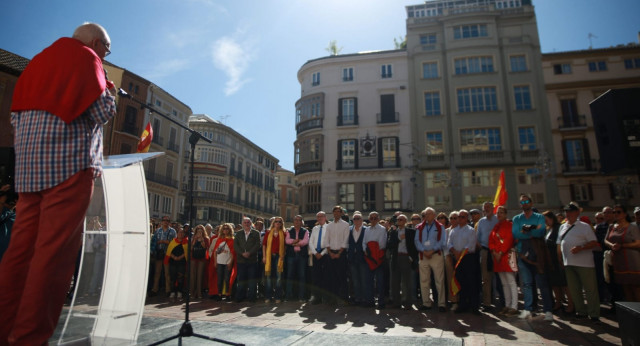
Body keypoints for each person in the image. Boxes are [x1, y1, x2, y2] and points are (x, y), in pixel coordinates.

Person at [0, 22, 116, 345]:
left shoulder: (37, 62)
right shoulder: (86, 58)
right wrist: (108, 86)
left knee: (19, 254)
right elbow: (102, 111)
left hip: (28, 171)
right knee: (52, 260)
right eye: (106, 51)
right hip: (68, 169)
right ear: (95, 43)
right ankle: (28, 338)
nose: (105, 57)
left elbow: (14, 118)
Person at [557, 202, 600, 321]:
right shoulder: (562, 226)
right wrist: (560, 258)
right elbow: (559, 243)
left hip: (585, 263)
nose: (568, 213)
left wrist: (581, 248)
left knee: (590, 289)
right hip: (568, 263)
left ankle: (594, 313)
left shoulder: (584, 226)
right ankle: (581, 311)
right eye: (566, 211)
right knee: (574, 289)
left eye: (570, 211)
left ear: (577, 213)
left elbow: (593, 242)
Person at [512, 194, 549, 320]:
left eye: (527, 201)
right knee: (527, 284)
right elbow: (516, 234)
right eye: (522, 202)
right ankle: (529, 309)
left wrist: (527, 231)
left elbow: (541, 232)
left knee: (542, 284)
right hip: (523, 255)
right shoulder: (517, 218)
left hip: (538, 254)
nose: (525, 203)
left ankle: (547, 310)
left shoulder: (539, 217)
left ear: (531, 203)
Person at [604, 205, 640, 302]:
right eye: (614, 212)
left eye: (618, 212)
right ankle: (631, 313)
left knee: (635, 287)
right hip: (618, 260)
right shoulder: (612, 226)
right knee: (625, 287)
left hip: (631, 260)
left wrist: (622, 245)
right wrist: (612, 245)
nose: (616, 214)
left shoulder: (632, 227)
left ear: (624, 214)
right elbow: (606, 240)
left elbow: (638, 243)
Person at [447, 210, 479, 314]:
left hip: (468, 258)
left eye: (462, 217)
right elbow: (449, 243)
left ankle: (474, 306)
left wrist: (460, 253)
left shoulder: (470, 230)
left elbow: (471, 245)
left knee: (471, 282)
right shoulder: (453, 230)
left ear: (467, 218)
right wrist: (454, 251)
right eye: (458, 217)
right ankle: (462, 305)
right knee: (460, 282)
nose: (459, 219)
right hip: (457, 259)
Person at [414, 208, 446, 312]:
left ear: (434, 215)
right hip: (423, 256)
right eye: (425, 214)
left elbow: (442, 241)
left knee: (439, 280)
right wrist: (424, 251)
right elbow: (417, 241)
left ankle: (442, 304)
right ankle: (426, 303)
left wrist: (432, 251)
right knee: (424, 281)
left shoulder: (440, 227)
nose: (426, 216)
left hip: (436, 255)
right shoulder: (419, 227)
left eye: (429, 214)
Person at [488, 206, 518, 316]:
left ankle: (514, 306)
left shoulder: (510, 225)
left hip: (508, 255)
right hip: (497, 258)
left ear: (506, 214)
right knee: (504, 283)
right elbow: (491, 240)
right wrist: (494, 251)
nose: (499, 214)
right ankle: (507, 304)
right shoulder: (496, 227)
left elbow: (509, 240)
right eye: (498, 213)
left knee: (511, 281)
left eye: (501, 212)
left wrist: (500, 252)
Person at [543, 210, 573, 313]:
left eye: (546, 220)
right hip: (551, 260)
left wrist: (560, 258)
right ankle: (558, 303)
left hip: (559, 259)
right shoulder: (548, 229)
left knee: (564, 283)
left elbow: (560, 243)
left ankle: (571, 304)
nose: (545, 222)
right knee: (555, 283)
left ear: (551, 218)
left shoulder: (559, 228)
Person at [388, 214, 418, 309]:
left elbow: (414, 246)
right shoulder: (393, 232)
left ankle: (407, 303)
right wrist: (399, 238)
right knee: (395, 281)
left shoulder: (411, 232)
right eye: (398, 220)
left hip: (406, 257)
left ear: (405, 221)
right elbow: (389, 245)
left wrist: (412, 257)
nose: (399, 221)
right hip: (396, 257)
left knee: (407, 282)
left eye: (401, 219)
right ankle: (396, 302)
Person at [325, 205, 350, 304]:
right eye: (335, 211)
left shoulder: (345, 225)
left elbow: (345, 239)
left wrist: (339, 253)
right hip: (331, 253)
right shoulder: (329, 225)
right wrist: (330, 252)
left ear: (341, 213)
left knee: (342, 276)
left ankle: (344, 297)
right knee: (332, 276)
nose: (336, 213)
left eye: (338, 211)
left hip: (341, 253)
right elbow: (326, 240)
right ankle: (333, 298)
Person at [476, 202, 498, 310]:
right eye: (484, 208)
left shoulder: (498, 220)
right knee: (486, 279)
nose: (486, 209)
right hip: (485, 251)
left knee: (500, 277)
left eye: (488, 207)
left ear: (493, 208)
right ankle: (487, 303)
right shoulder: (481, 222)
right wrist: (482, 248)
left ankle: (503, 302)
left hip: (498, 252)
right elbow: (477, 238)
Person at [363, 211, 387, 309]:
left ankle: (381, 302)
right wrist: (365, 250)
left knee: (380, 282)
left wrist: (374, 252)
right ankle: (370, 301)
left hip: (378, 258)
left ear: (378, 219)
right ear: (369, 219)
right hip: (368, 258)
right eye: (371, 218)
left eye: (375, 218)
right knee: (369, 281)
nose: (373, 220)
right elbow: (364, 242)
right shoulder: (367, 230)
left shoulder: (382, 229)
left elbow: (382, 243)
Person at [234, 217, 260, 302]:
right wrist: (242, 253)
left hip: (252, 260)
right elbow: (236, 246)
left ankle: (252, 297)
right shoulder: (238, 233)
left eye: (248, 222)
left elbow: (257, 245)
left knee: (252, 280)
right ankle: (240, 297)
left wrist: (249, 253)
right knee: (241, 279)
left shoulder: (256, 233)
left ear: (251, 223)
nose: (246, 224)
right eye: (245, 222)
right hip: (241, 260)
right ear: (242, 224)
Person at [150, 216, 177, 297]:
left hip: (167, 254)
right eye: (164, 220)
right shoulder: (157, 231)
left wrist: (165, 242)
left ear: (169, 222)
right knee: (157, 272)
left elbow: (174, 242)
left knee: (167, 273)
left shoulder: (172, 231)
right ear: (161, 222)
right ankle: (155, 289)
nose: (165, 222)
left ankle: (168, 290)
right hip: (159, 253)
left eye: (167, 220)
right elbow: (154, 241)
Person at [285, 215, 309, 302]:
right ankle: (288, 296)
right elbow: (287, 240)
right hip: (291, 255)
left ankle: (301, 296)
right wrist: (294, 241)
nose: (297, 222)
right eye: (295, 220)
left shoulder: (305, 231)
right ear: (293, 222)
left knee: (302, 276)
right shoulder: (289, 230)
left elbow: (306, 241)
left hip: (301, 255)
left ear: (301, 222)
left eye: (299, 220)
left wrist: (297, 243)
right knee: (289, 275)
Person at [262, 217, 286, 303]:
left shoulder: (284, 233)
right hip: (269, 257)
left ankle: (278, 297)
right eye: (276, 221)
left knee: (278, 277)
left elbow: (285, 245)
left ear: (281, 224)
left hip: (279, 257)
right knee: (268, 277)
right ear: (273, 223)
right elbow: (264, 245)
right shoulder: (268, 233)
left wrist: (283, 254)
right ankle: (268, 296)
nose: (278, 223)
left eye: (280, 222)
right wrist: (264, 257)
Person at [211, 223, 236, 301]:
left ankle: (228, 294)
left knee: (227, 279)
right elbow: (215, 251)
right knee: (219, 279)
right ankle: (219, 294)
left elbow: (233, 253)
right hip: (219, 261)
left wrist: (230, 262)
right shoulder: (219, 239)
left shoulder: (232, 240)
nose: (225, 230)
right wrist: (215, 261)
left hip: (227, 262)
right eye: (224, 228)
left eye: (227, 228)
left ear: (230, 230)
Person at [347, 211, 367, 306]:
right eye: (354, 219)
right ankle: (357, 298)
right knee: (355, 280)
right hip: (352, 258)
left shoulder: (366, 230)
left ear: (362, 220)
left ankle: (364, 298)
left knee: (363, 279)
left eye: (358, 218)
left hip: (362, 258)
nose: (356, 220)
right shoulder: (349, 229)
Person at [308, 212, 329, 304]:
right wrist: (315, 253)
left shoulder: (329, 228)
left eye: (321, 216)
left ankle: (325, 297)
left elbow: (330, 242)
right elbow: (310, 242)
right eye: (318, 217)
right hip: (316, 253)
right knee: (316, 277)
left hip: (325, 253)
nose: (320, 218)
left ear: (325, 217)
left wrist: (323, 253)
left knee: (325, 276)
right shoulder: (315, 228)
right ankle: (316, 297)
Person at [166, 226, 189, 301]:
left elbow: (186, 253)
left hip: (181, 262)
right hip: (173, 262)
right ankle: (172, 291)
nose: (181, 234)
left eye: (182, 232)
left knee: (180, 278)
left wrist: (179, 257)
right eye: (179, 232)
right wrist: (174, 257)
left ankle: (179, 291)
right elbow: (169, 252)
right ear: (177, 233)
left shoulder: (186, 242)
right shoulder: (173, 241)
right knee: (172, 277)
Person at [189, 225, 210, 299]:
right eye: (198, 230)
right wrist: (194, 240)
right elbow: (191, 248)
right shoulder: (192, 238)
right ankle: (191, 293)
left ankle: (199, 293)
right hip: (193, 258)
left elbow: (206, 248)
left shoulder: (206, 238)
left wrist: (201, 240)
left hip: (202, 258)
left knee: (200, 275)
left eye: (201, 230)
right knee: (192, 275)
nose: (199, 231)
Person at [444, 211, 459, 309]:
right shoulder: (446, 231)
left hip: (461, 257)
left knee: (460, 279)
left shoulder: (461, 230)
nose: (453, 220)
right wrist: (447, 256)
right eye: (451, 218)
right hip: (449, 258)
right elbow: (444, 245)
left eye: (455, 218)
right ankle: (454, 301)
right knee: (451, 280)